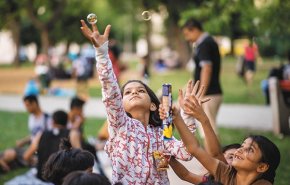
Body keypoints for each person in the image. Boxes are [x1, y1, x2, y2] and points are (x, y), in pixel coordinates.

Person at [80, 19, 196, 184]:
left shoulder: (164, 134)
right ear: (121, 105)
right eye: (127, 92)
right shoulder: (120, 125)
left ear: (153, 105)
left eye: (141, 90)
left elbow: (186, 153)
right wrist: (101, 52)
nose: (134, 92)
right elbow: (110, 91)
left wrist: (188, 116)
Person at [161, 92, 280, 185]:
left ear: (262, 167)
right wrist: (178, 117)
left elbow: (215, 153)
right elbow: (196, 149)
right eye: (242, 146)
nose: (239, 150)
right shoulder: (225, 173)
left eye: (250, 150)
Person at [182, 18, 223, 150]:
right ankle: (213, 164)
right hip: (211, 92)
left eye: (187, 34)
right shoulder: (204, 43)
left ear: (195, 30)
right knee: (206, 129)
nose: (187, 38)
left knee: (208, 130)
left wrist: (201, 94)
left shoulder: (205, 44)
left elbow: (206, 68)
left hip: (209, 94)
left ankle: (215, 165)